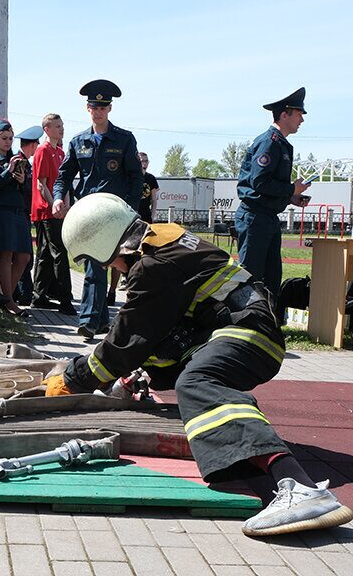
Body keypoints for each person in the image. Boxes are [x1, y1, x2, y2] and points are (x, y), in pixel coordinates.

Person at [45, 193, 353, 537]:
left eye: (100, 260)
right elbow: (156, 330)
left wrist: (75, 378)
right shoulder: (166, 238)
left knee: (197, 383)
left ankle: (298, 486)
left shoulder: (153, 266)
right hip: (232, 326)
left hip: (246, 333)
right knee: (165, 365)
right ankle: (249, 459)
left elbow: (126, 337)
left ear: (105, 244)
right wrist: (139, 371)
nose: (105, 268)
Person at [52, 79, 143, 341]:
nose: (98, 111)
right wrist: (59, 198)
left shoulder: (124, 140)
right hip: (90, 215)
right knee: (95, 264)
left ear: (110, 109)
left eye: (103, 107)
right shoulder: (78, 141)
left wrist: (132, 210)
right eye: (94, 106)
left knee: (115, 264)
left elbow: (136, 178)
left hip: (117, 216)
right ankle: (90, 322)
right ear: (87, 109)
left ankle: (100, 320)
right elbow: (63, 176)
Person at [235, 87, 311, 300]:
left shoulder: (280, 144)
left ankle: (266, 324)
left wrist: (291, 197)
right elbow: (259, 182)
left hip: (265, 218)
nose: (302, 121)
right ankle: (244, 325)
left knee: (271, 278)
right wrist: (291, 189)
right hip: (254, 217)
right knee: (251, 278)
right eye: (299, 114)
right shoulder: (270, 142)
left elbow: (266, 185)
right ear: (284, 114)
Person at [0, 120, 33, 316]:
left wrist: (20, 180)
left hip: (18, 210)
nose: (8, 142)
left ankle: (5, 297)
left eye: (11, 138)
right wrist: (7, 172)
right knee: (7, 254)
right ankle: (9, 302)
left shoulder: (16, 158)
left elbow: (23, 188)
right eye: (4, 138)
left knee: (24, 257)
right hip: (1, 211)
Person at [30, 114, 75, 315]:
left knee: (46, 254)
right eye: (57, 126)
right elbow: (41, 184)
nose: (61, 129)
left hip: (57, 210)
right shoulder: (43, 150)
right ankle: (65, 299)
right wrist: (54, 206)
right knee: (59, 252)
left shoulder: (61, 152)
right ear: (47, 129)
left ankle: (39, 296)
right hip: (46, 211)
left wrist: (64, 205)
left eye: (62, 126)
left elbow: (63, 183)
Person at [108, 151, 158, 305]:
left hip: (145, 221)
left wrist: (153, 217)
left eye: (146, 160)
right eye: (141, 160)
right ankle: (112, 291)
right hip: (128, 221)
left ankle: (137, 288)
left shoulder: (150, 179)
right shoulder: (128, 177)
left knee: (143, 255)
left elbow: (154, 199)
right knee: (122, 254)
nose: (144, 162)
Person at [13, 124, 43, 306]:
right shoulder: (20, 162)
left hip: (24, 214)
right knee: (23, 257)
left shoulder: (26, 163)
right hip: (19, 214)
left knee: (26, 257)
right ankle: (22, 294)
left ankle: (24, 293)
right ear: (32, 145)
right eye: (36, 144)